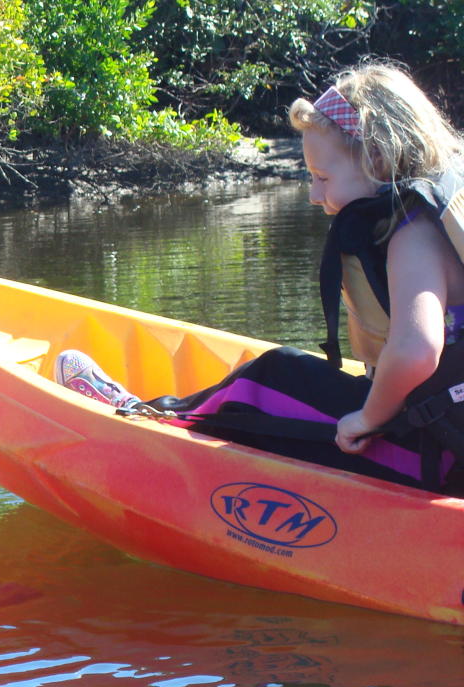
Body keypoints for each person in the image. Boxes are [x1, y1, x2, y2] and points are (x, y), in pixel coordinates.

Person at [56, 61, 464, 491]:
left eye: (322, 177)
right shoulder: (448, 205)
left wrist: (367, 418)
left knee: (269, 379)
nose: (313, 194)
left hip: (437, 452)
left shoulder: (413, 233)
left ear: (378, 159)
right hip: (443, 433)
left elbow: (417, 351)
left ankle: (143, 418)